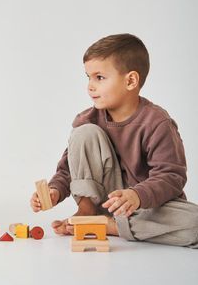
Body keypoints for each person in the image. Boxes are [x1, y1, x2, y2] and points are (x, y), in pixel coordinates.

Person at [30, 33, 198, 248]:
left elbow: (172, 176)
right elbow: (67, 170)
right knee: (84, 133)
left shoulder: (157, 122)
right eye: (88, 77)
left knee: (194, 223)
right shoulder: (87, 119)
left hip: (147, 205)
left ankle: (112, 226)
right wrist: (54, 191)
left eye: (99, 77)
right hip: (105, 199)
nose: (90, 86)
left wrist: (137, 195)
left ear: (130, 81)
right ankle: (88, 211)